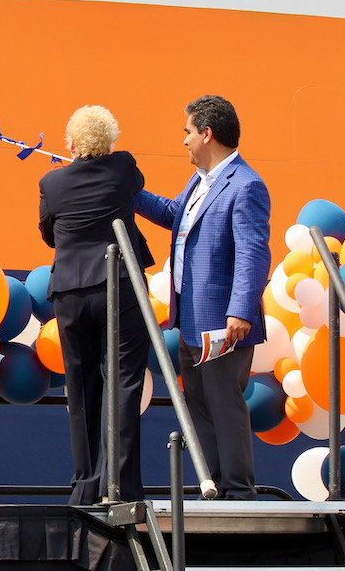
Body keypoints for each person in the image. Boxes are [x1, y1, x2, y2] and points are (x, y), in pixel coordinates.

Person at [134, 95, 271, 500]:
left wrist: (241, 311)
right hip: (191, 318)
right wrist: (129, 188)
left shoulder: (246, 185)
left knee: (224, 404)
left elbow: (253, 251)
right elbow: (172, 213)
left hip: (223, 321)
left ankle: (239, 492)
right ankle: (212, 485)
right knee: (199, 404)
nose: (185, 142)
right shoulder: (201, 181)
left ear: (206, 134)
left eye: (188, 133)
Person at [39, 105, 154, 505]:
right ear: (109, 142)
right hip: (118, 286)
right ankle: (119, 485)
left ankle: (86, 485)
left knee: (81, 388)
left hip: (70, 292)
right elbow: (137, 185)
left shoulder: (51, 182)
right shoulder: (123, 167)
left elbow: (49, 235)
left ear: (70, 143)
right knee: (123, 384)